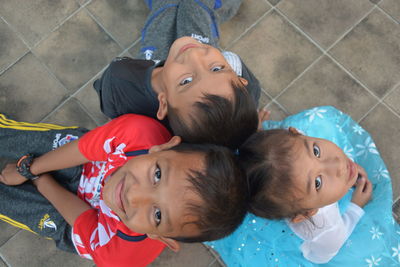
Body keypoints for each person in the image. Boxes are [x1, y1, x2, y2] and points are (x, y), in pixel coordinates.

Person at [0, 113, 248, 267]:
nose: (134, 195)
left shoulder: (121, 258)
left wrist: (41, 181)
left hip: (74, 220)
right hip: (89, 162)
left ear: (163, 239)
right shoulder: (137, 134)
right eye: (158, 174)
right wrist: (30, 169)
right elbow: (84, 149)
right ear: (164, 147)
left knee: (10, 203)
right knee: (18, 139)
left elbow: (84, 220)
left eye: (158, 215)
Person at [208, 106, 400, 266]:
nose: (337, 164)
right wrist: (356, 206)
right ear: (306, 214)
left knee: (265, 157)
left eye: (316, 151)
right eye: (317, 183)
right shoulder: (326, 229)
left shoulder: (290, 167)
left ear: (296, 132)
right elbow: (321, 256)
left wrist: (257, 134)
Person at [93, 0, 260, 148]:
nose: (194, 55)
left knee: (165, 10)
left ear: (163, 103)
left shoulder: (120, 81)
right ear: (241, 80)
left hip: (153, 52)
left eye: (186, 81)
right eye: (217, 69)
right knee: (196, 7)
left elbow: (111, 110)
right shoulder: (246, 89)